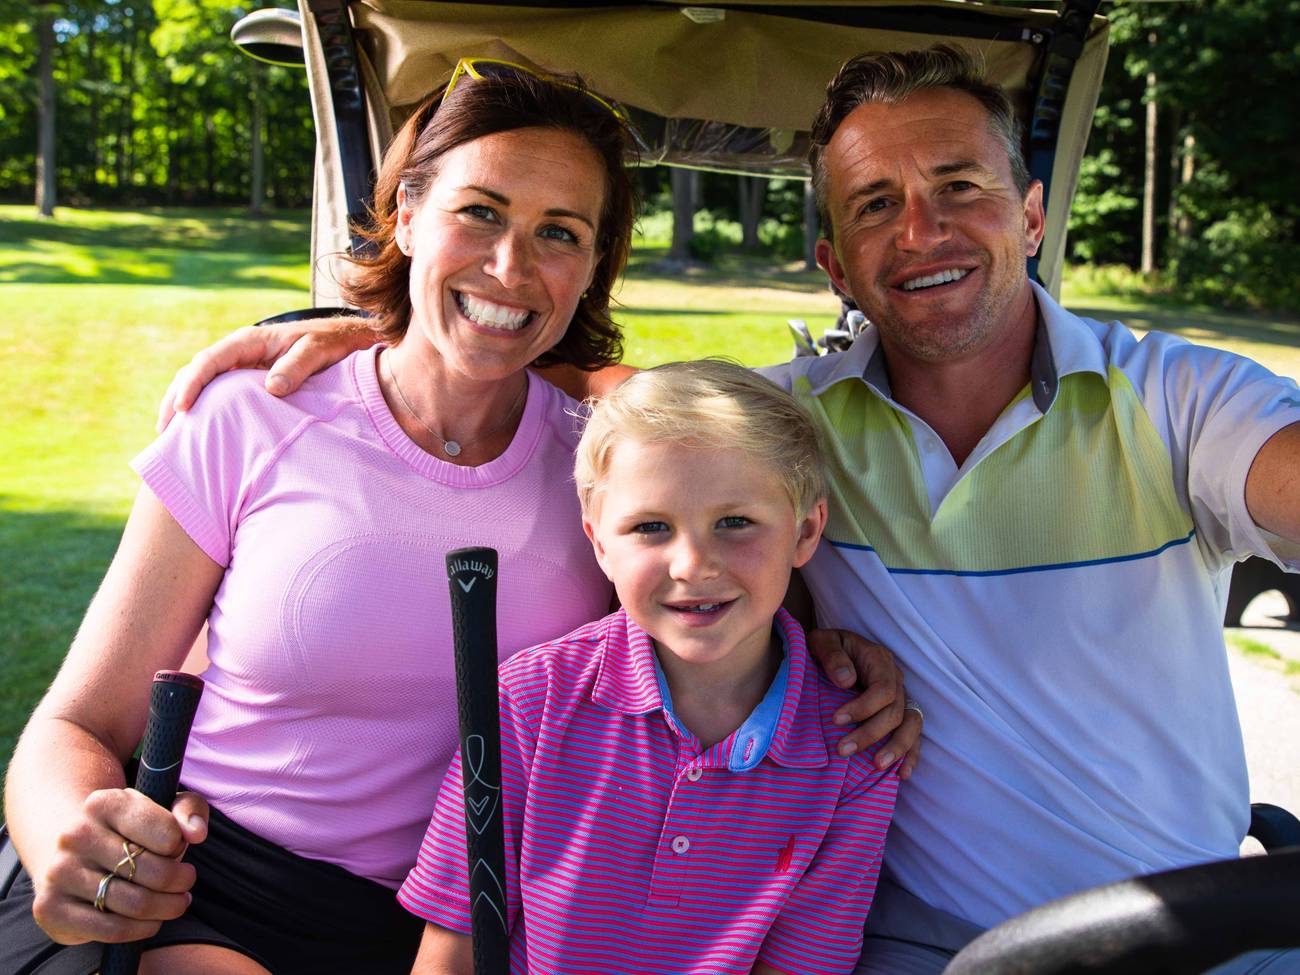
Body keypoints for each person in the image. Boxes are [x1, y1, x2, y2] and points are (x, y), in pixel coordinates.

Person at [165, 45, 1300, 974]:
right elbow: (648, 422)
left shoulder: (1178, 403)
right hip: (931, 953)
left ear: (1034, 213)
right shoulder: (793, 425)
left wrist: (416, 322)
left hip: (1200, 933)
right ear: (834, 266)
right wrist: (394, 336)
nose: (923, 230)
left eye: (961, 186)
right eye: (877, 205)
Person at [1, 59, 917, 975]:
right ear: (407, 214)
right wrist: (72, 848)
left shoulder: (611, 471)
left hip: (478, 921)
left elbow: (733, 532)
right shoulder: (255, 416)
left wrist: (841, 651)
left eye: (558, 232)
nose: (511, 265)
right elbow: (77, 725)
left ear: (594, 265)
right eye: (479, 212)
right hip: (213, 889)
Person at [402, 360, 902, 974]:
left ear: (805, 531)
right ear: (599, 542)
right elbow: (451, 952)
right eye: (651, 527)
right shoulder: (530, 701)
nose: (693, 564)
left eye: (735, 522)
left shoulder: (855, 747)